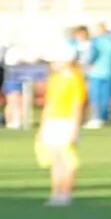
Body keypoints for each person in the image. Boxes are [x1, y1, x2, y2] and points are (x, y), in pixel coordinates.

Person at [37, 46, 86, 206]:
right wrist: (42, 126)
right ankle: (56, 192)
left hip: (67, 122)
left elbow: (77, 105)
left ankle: (66, 193)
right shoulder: (54, 79)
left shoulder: (75, 78)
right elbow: (49, 103)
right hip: (53, 121)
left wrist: (75, 127)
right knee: (55, 158)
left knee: (68, 159)